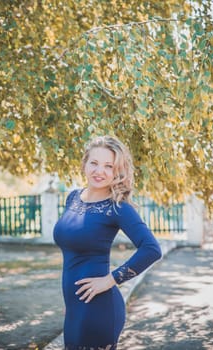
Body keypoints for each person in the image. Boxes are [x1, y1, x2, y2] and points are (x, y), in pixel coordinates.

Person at [53, 135, 162, 350]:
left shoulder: (118, 207)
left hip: (100, 307)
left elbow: (152, 249)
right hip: (74, 306)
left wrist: (110, 280)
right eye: (94, 163)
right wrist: (71, 301)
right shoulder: (73, 197)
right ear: (84, 163)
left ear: (117, 172)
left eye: (108, 166)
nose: (99, 171)